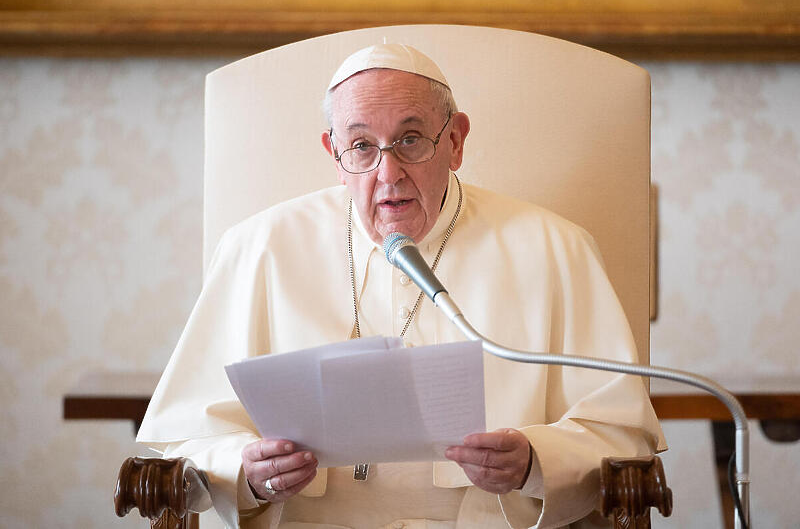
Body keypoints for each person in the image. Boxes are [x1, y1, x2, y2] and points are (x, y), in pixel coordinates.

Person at [137, 44, 665, 529]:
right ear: (334, 153)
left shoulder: (554, 247)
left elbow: (621, 435)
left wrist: (535, 461)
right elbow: (183, 445)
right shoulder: (260, 247)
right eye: (362, 146)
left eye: (410, 140)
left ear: (455, 140)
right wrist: (246, 471)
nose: (387, 172)